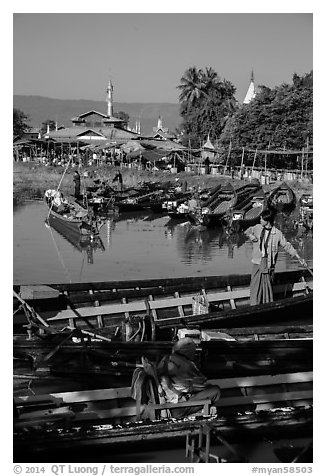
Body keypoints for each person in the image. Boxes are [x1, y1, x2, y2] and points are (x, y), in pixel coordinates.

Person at [244, 209, 307, 306]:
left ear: (267, 220)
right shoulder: (257, 228)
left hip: (269, 266)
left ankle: (267, 306)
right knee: (255, 289)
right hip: (257, 264)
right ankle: (254, 306)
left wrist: (300, 258)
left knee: (267, 289)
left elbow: (287, 246)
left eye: (261, 219)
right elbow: (247, 230)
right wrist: (250, 235)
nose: (260, 220)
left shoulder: (277, 234)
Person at [157, 338, 221, 418]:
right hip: (176, 408)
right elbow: (201, 384)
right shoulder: (186, 364)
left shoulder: (166, 359)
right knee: (215, 390)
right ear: (189, 351)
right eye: (193, 351)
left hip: (167, 401)